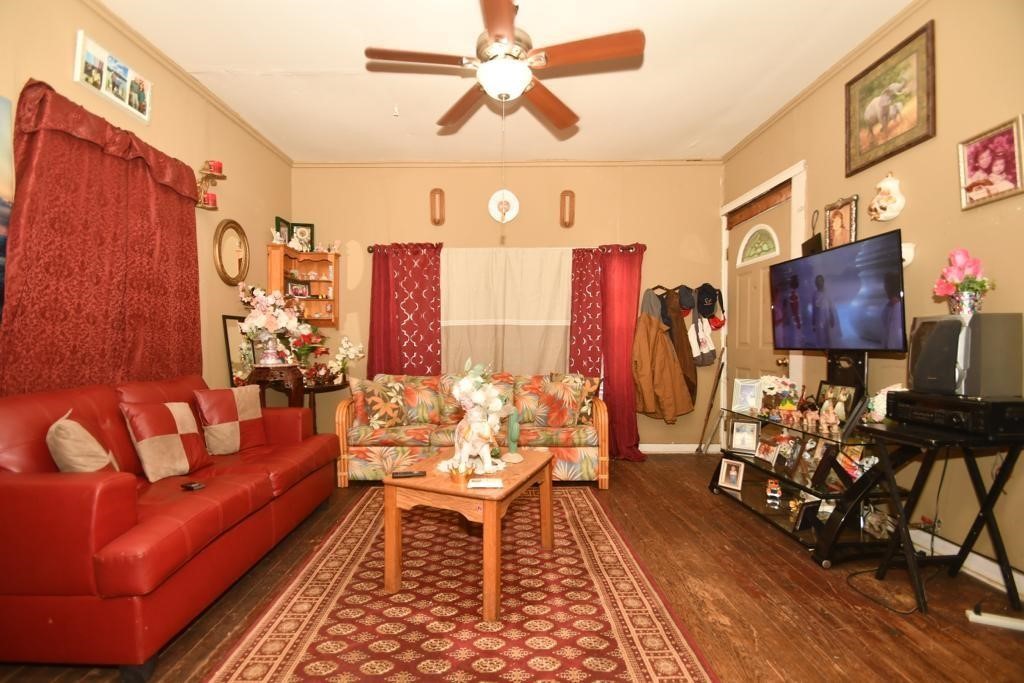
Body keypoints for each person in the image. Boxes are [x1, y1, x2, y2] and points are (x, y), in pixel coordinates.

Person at [811, 274, 840, 348]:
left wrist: (832, 318)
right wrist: (813, 323)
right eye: (817, 281)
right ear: (815, 283)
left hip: (827, 319)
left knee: (829, 338)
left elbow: (831, 307)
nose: (819, 283)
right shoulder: (814, 294)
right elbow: (814, 310)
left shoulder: (828, 293)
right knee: (820, 339)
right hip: (818, 321)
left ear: (823, 282)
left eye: (820, 281)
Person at [881, 271, 904, 349]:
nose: (884, 288)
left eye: (886, 285)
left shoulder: (898, 307)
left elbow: (894, 334)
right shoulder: (888, 306)